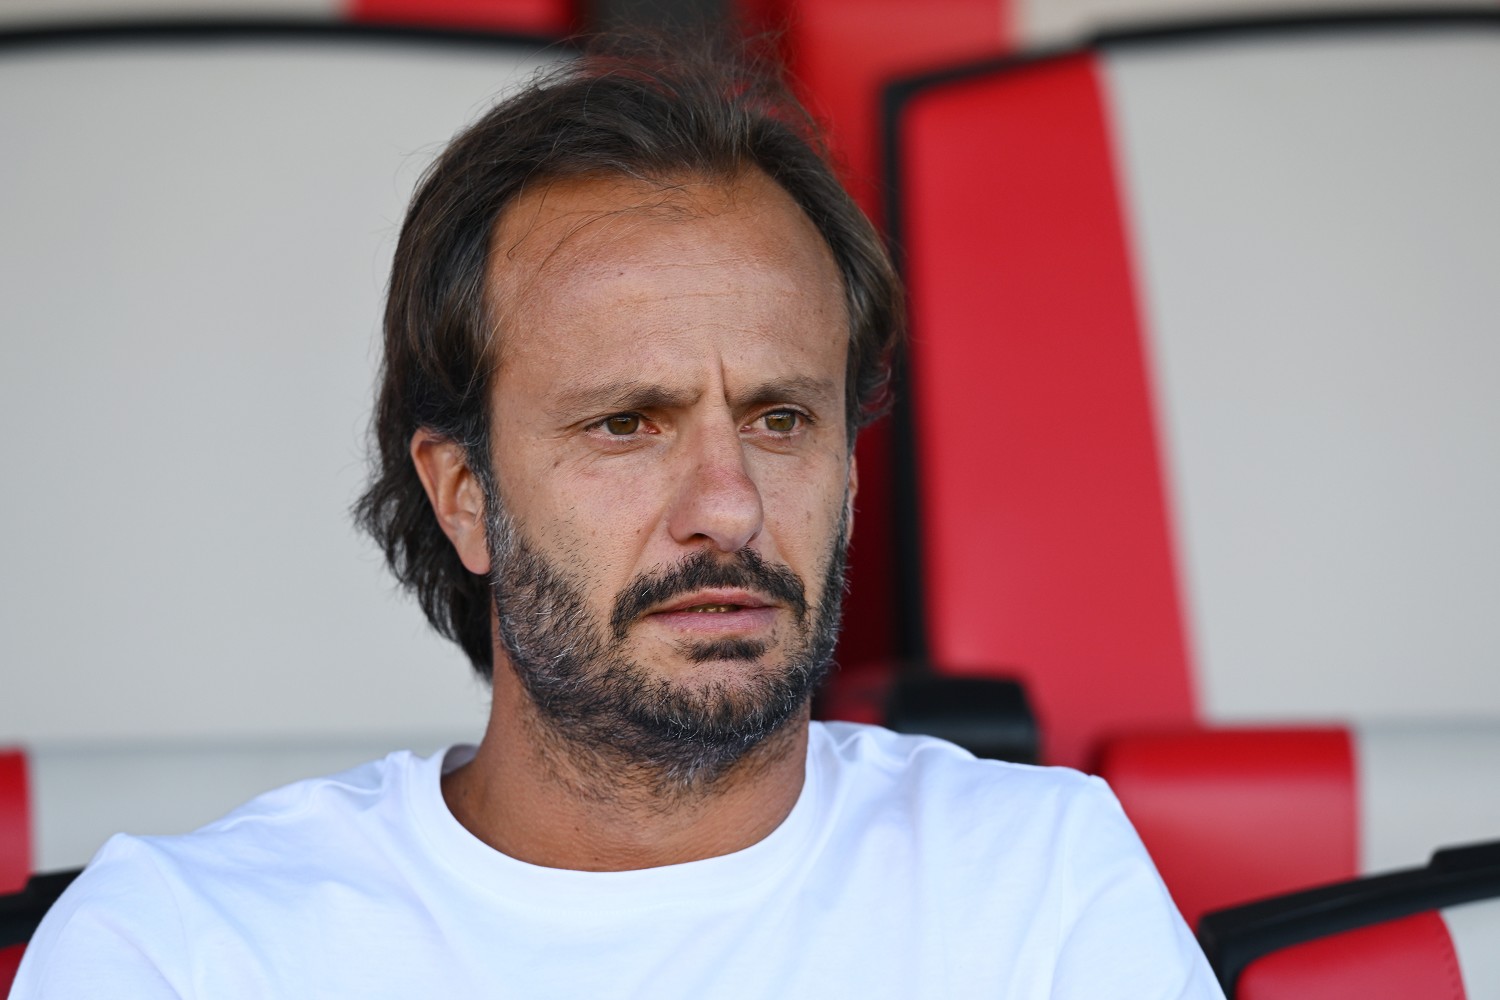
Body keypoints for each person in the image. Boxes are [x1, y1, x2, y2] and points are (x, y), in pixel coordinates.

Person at [13, 37, 1224, 999]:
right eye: (627, 424)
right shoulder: (185, 950)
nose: (727, 507)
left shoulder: (1041, 880)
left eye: (782, 419)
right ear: (463, 495)